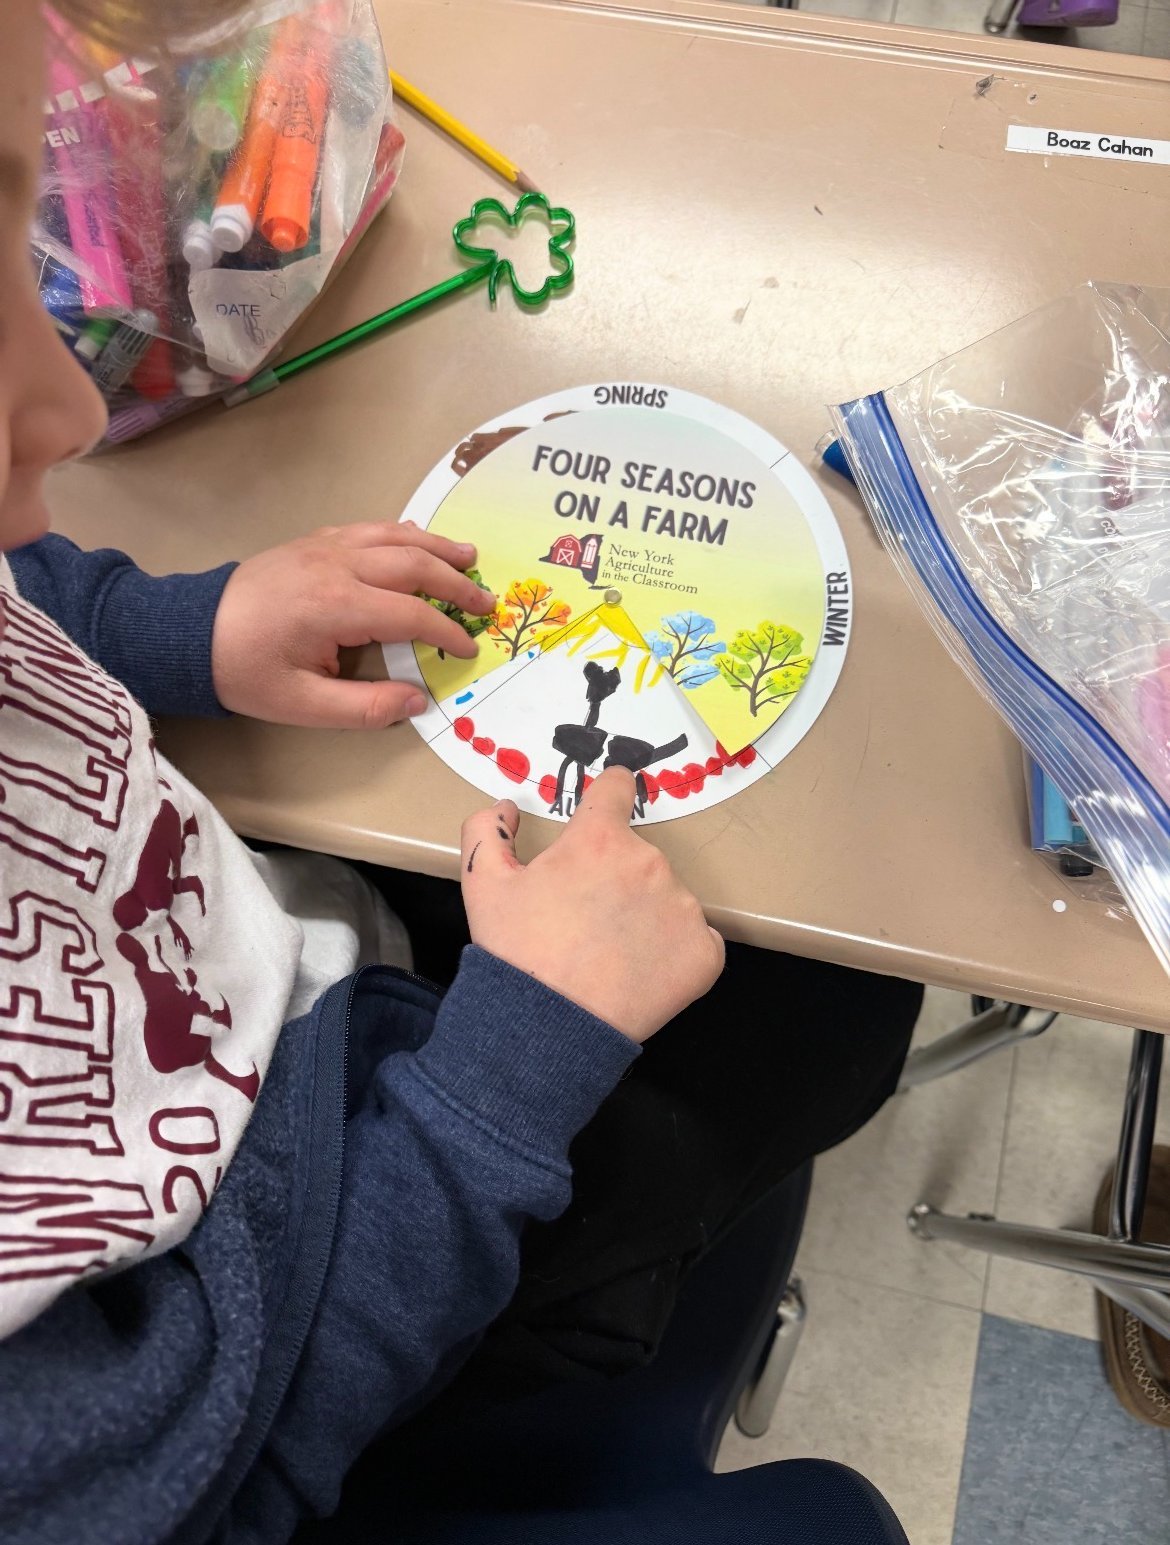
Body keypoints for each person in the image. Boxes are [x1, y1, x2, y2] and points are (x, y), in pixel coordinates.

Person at [0, 4, 921, 1542]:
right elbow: (237, 1460)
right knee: (831, 1012)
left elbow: (22, 588)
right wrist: (506, 1076)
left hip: (280, 996)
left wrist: (176, 626)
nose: (80, 411)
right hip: (323, 1270)